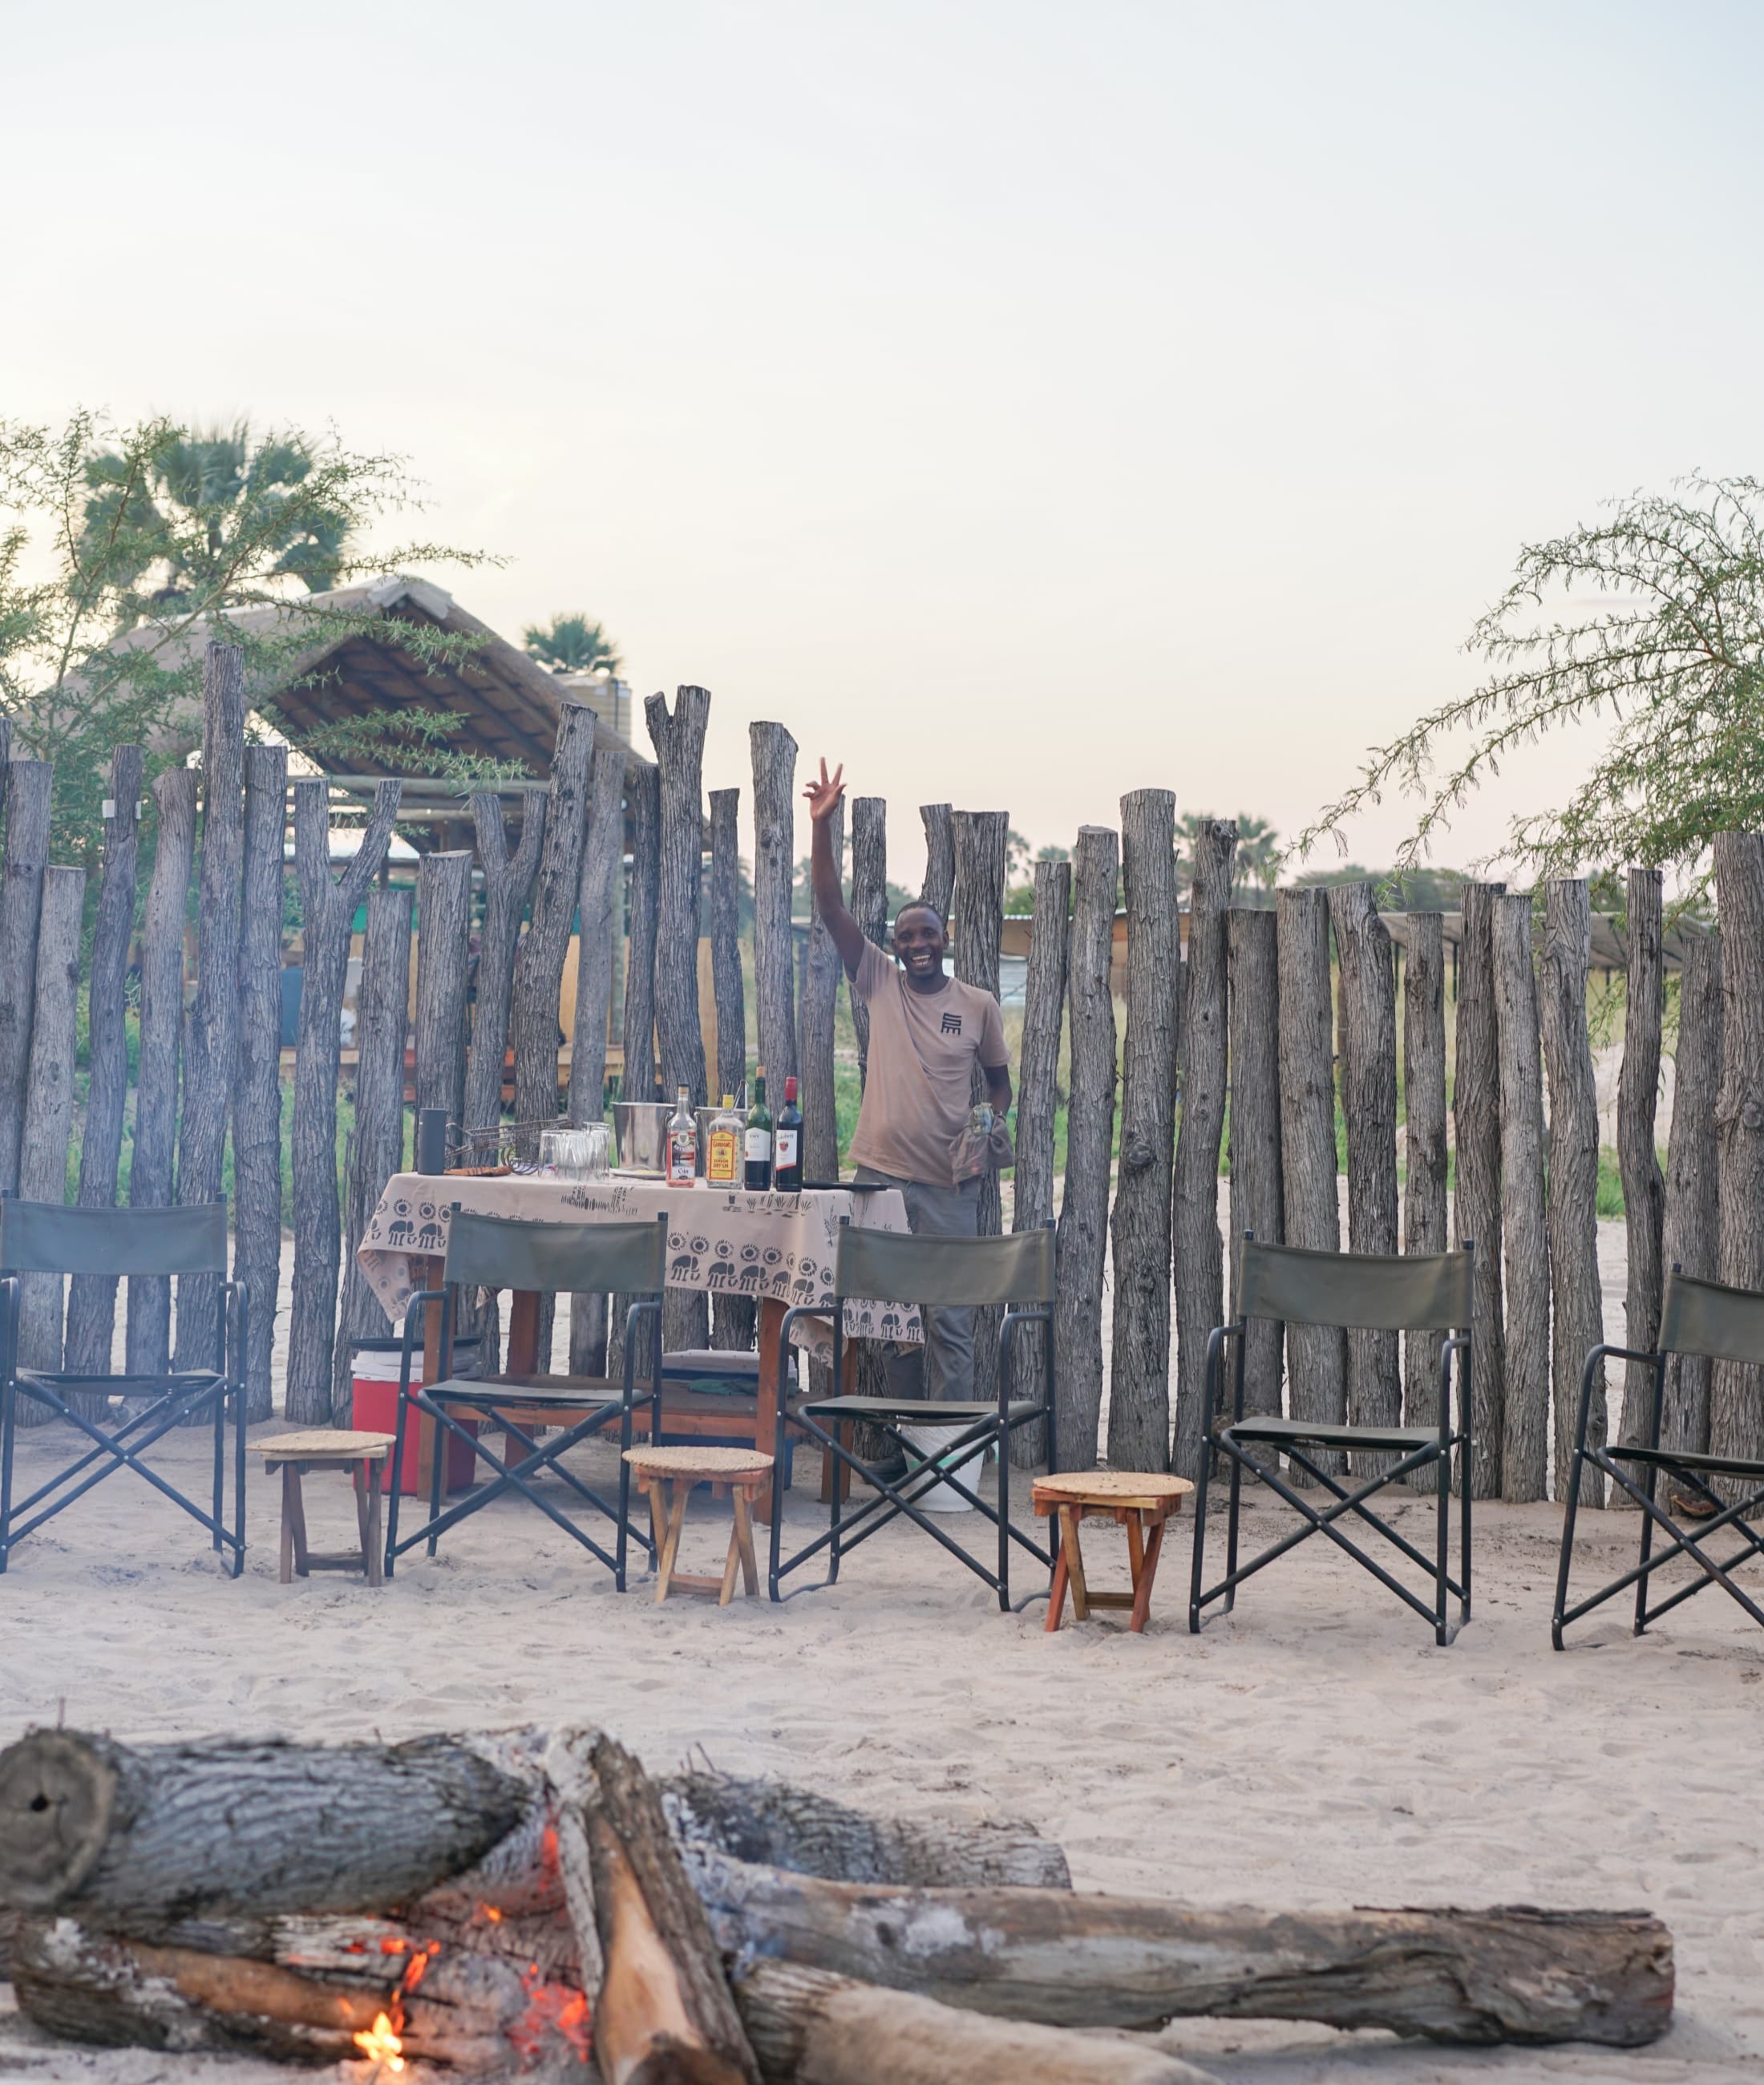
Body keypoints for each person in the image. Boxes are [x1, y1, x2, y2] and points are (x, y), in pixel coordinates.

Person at [804, 758, 1012, 1401]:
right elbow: (831, 905)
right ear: (893, 946)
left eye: (926, 933)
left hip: (949, 1188)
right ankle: (900, 1438)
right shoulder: (878, 981)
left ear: (946, 937)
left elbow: (1000, 1083)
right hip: (881, 1179)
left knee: (949, 1322)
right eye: (905, 937)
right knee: (892, 1323)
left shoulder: (978, 1005)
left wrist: (988, 1119)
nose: (916, 944)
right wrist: (820, 827)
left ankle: (949, 1450)